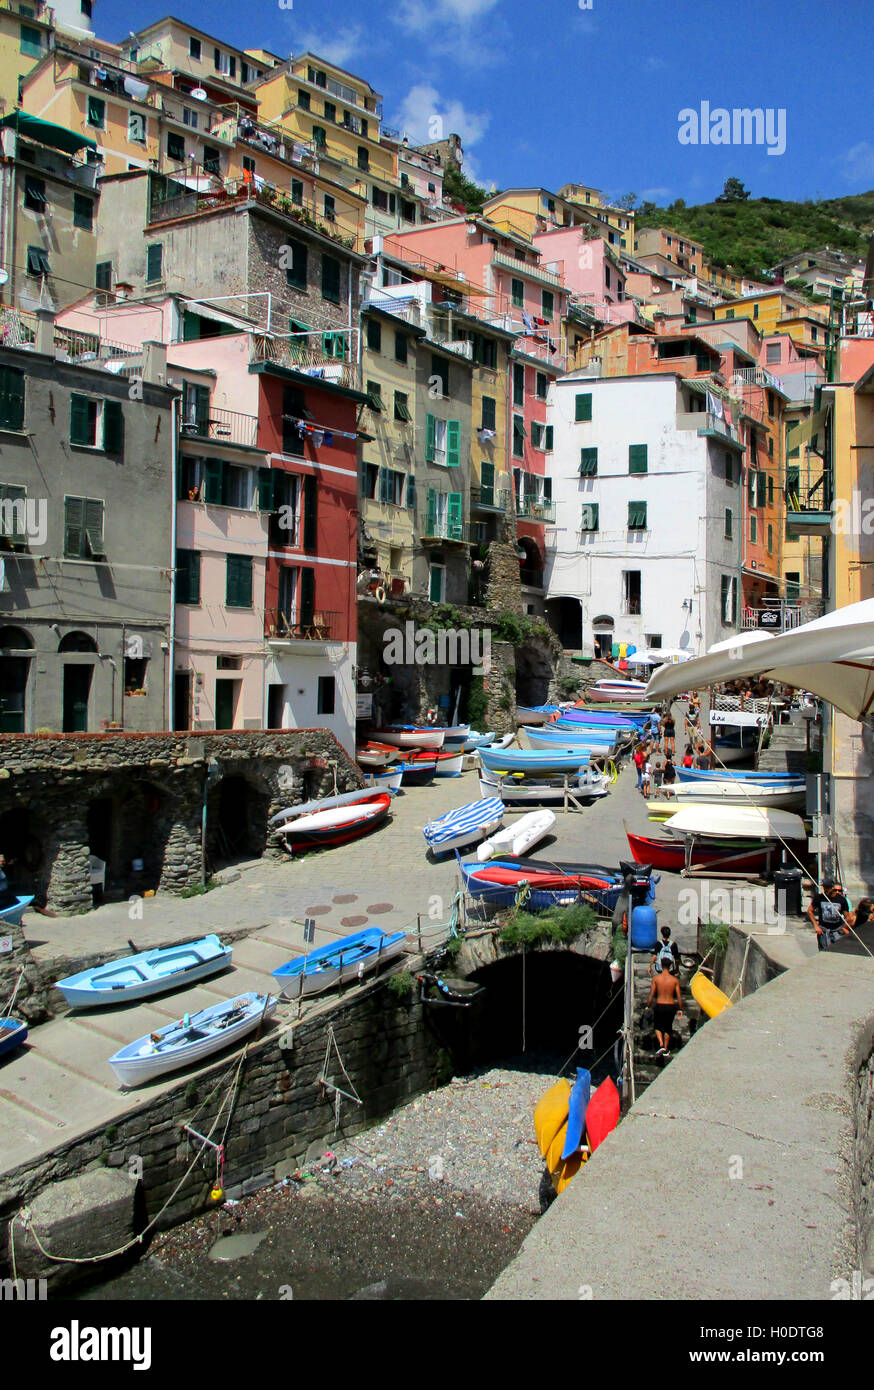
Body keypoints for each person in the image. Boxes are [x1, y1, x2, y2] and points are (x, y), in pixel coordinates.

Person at [646, 957, 683, 1057]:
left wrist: (647, 1005)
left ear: (661, 966)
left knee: (657, 1026)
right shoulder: (674, 980)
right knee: (668, 1027)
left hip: (660, 1005)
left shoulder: (656, 979)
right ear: (670, 966)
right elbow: (679, 996)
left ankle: (661, 1044)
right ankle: (666, 1048)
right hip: (671, 1006)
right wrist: (680, 1009)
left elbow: (651, 994)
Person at [808, 879, 851, 950]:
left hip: (837, 930)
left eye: (827, 887)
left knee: (838, 951)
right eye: (824, 887)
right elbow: (810, 911)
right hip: (824, 930)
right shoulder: (819, 897)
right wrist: (816, 926)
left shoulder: (841, 900)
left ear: (832, 887)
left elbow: (848, 917)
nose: (825, 889)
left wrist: (844, 928)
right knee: (824, 951)